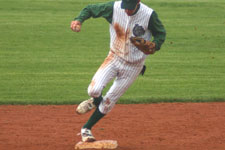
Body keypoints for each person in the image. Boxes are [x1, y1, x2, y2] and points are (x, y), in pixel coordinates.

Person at [71, 0, 166, 142]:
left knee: (109, 101)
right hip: (114, 58)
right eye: (125, 7)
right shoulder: (114, 8)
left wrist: (155, 45)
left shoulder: (149, 15)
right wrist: (78, 20)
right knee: (93, 90)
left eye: (130, 8)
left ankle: (86, 129)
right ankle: (95, 101)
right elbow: (90, 9)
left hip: (134, 66)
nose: (127, 10)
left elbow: (161, 34)